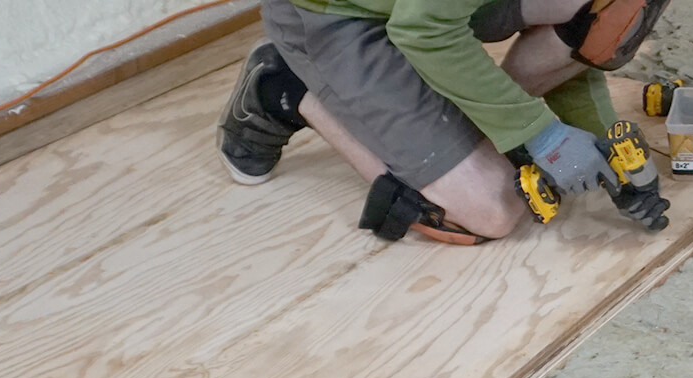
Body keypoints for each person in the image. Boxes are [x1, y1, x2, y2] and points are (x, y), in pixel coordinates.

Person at [215, 0, 667, 244]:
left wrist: (606, 141)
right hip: (337, 17)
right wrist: (541, 134)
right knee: (492, 211)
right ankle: (285, 86)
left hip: (419, 10)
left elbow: (582, 32)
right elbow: (424, 29)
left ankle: (468, 118)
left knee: (605, 4)